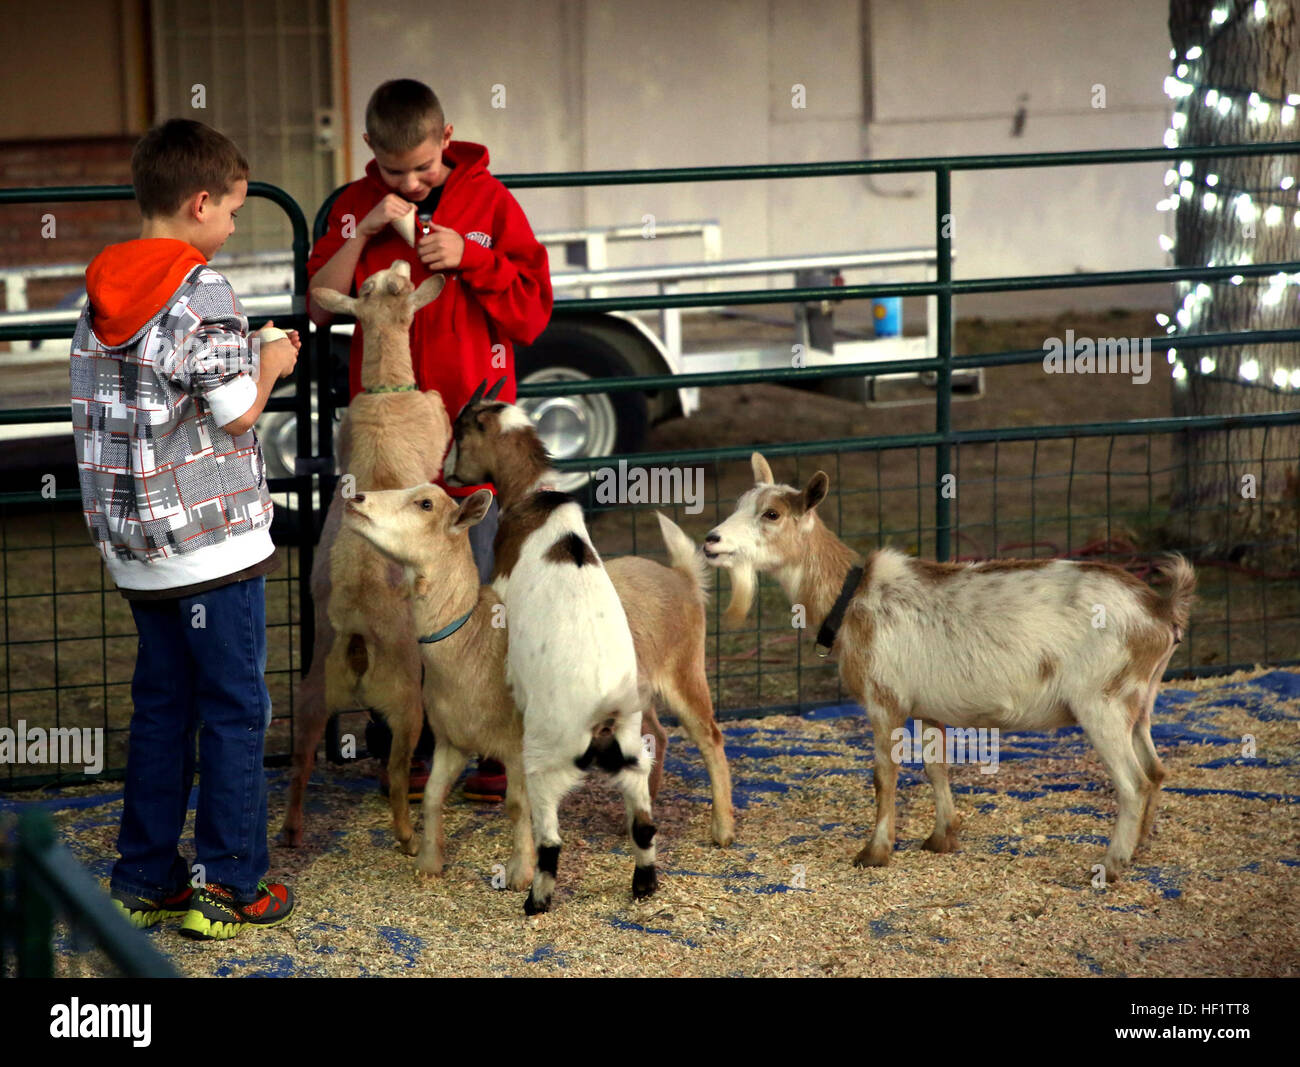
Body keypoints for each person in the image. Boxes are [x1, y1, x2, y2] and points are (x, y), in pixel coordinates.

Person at [71, 118, 298, 940]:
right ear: (200, 203)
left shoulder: (95, 293)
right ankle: (229, 882)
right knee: (236, 708)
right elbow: (237, 414)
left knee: (162, 707)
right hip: (214, 544)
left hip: (137, 548)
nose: (234, 227)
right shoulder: (202, 290)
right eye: (234, 211)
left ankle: (144, 877)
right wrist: (271, 360)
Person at [307, 79, 552, 802]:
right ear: (370, 155)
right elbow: (319, 301)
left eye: (423, 168)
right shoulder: (357, 204)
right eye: (393, 172)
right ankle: (407, 743)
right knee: (393, 590)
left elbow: (533, 312)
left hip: (469, 431)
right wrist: (362, 231)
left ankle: (498, 746)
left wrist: (469, 258)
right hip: (393, 443)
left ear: (448, 136)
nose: (410, 184)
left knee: (479, 587)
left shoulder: (491, 203)